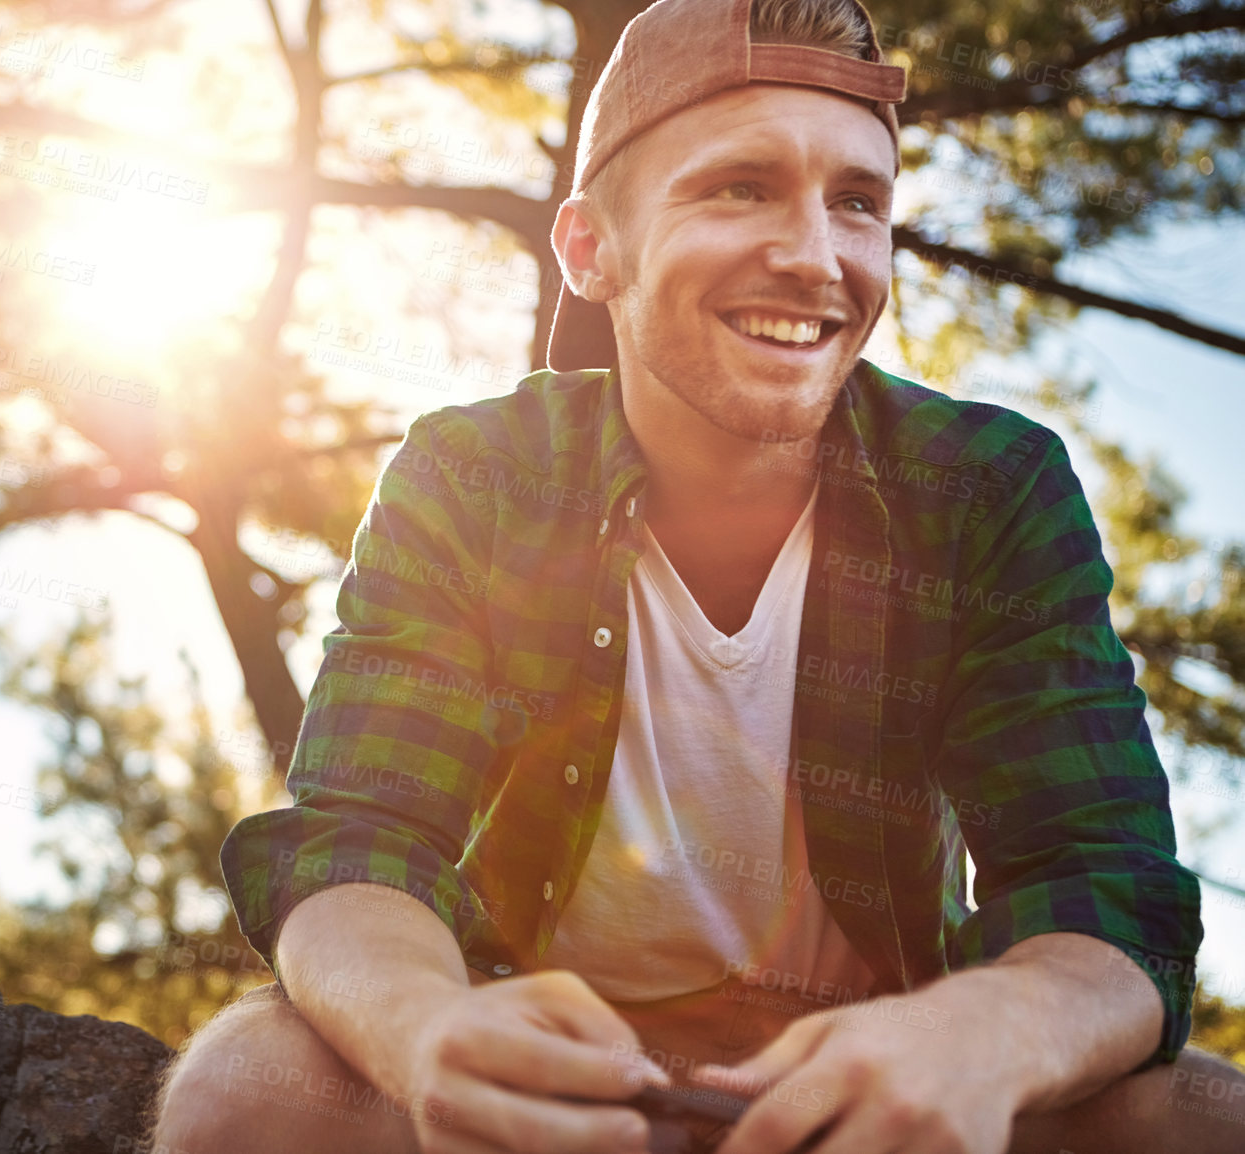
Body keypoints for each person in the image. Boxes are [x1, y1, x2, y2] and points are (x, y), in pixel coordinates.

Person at [151, 0, 1245, 1150]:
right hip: (559, 1089)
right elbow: (359, 838)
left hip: (878, 1080)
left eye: (858, 204)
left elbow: (1103, 882)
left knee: (1203, 1119)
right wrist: (428, 1033)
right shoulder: (473, 473)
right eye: (740, 186)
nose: (816, 256)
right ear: (590, 250)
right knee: (249, 1088)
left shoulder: (991, 486)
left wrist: (987, 1028)